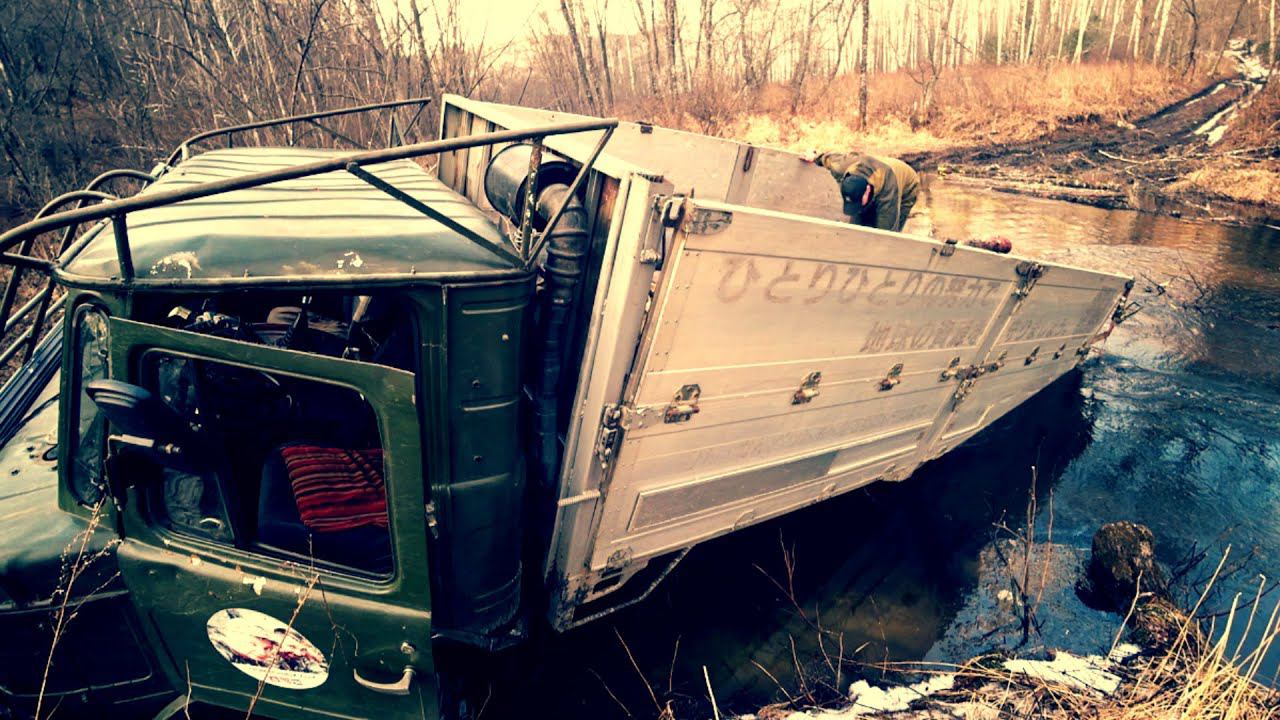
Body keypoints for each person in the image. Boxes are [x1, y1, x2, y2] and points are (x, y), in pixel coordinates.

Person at [809, 152, 919, 232]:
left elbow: (886, 236)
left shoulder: (888, 193)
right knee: (857, 226)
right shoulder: (841, 167)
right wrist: (814, 157)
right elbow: (827, 158)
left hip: (906, 186)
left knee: (883, 231)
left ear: (867, 191)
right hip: (874, 173)